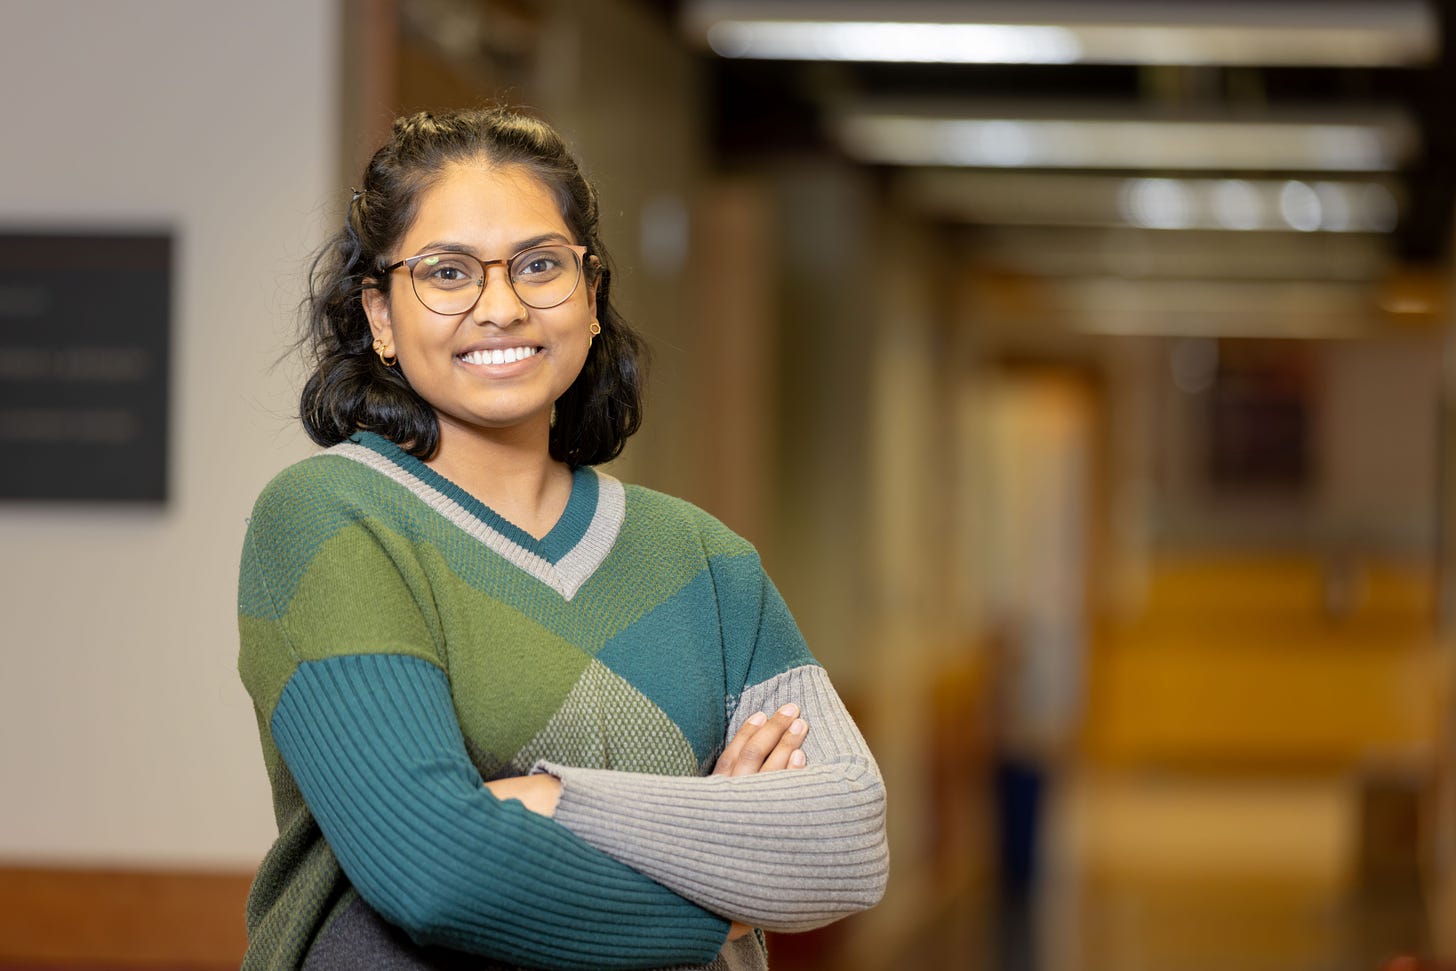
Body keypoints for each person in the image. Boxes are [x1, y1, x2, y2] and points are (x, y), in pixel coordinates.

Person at [237, 106, 888, 971]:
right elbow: (433, 867)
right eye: (447, 272)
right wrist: (721, 900)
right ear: (381, 316)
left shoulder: (701, 556)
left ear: (589, 296)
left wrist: (550, 798)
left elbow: (846, 839)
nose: (500, 307)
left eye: (540, 265)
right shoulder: (330, 518)